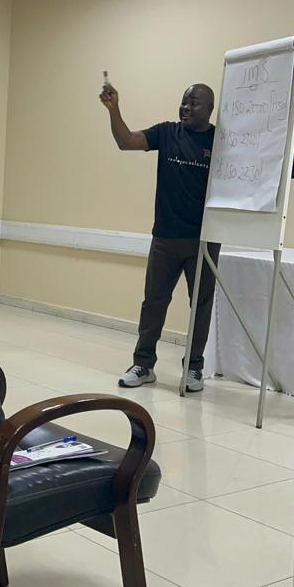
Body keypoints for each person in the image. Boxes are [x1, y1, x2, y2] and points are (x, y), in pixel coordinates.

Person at [100, 82, 219, 393]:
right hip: (165, 237)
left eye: (193, 103)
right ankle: (143, 364)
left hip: (204, 240)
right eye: (184, 102)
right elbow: (126, 141)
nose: (185, 108)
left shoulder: (220, 142)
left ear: (209, 110)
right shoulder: (167, 132)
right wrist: (114, 109)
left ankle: (194, 368)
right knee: (154, 302)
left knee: (201, 306)